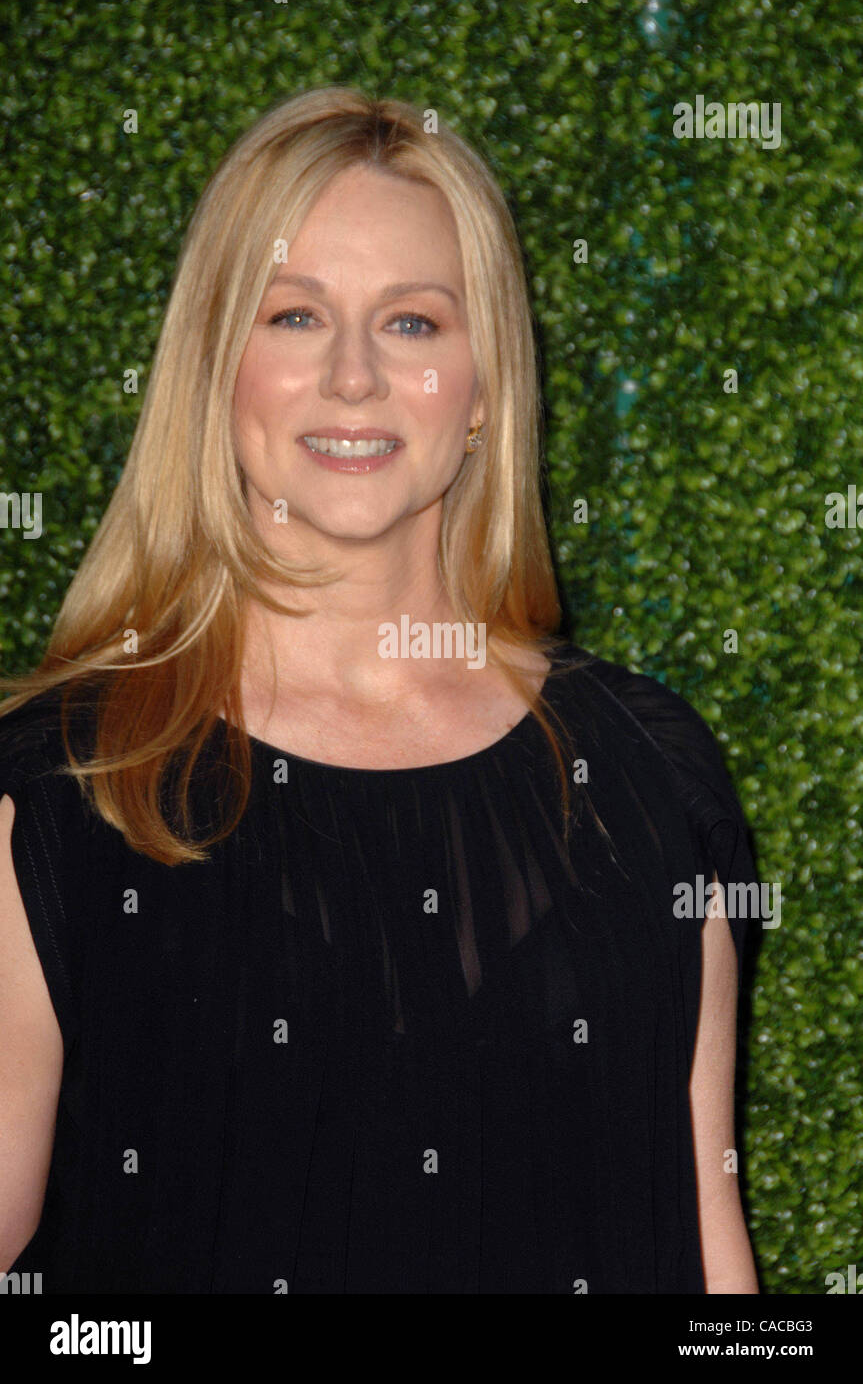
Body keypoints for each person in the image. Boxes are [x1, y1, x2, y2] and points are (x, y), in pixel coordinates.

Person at [0, 86, 759, 1294]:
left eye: (411, 325)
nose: (351, 377)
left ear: (482, 391)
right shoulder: (61, 786)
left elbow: (708, 1241)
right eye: (295, 315)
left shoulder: (648, 771)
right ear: (215, 368)